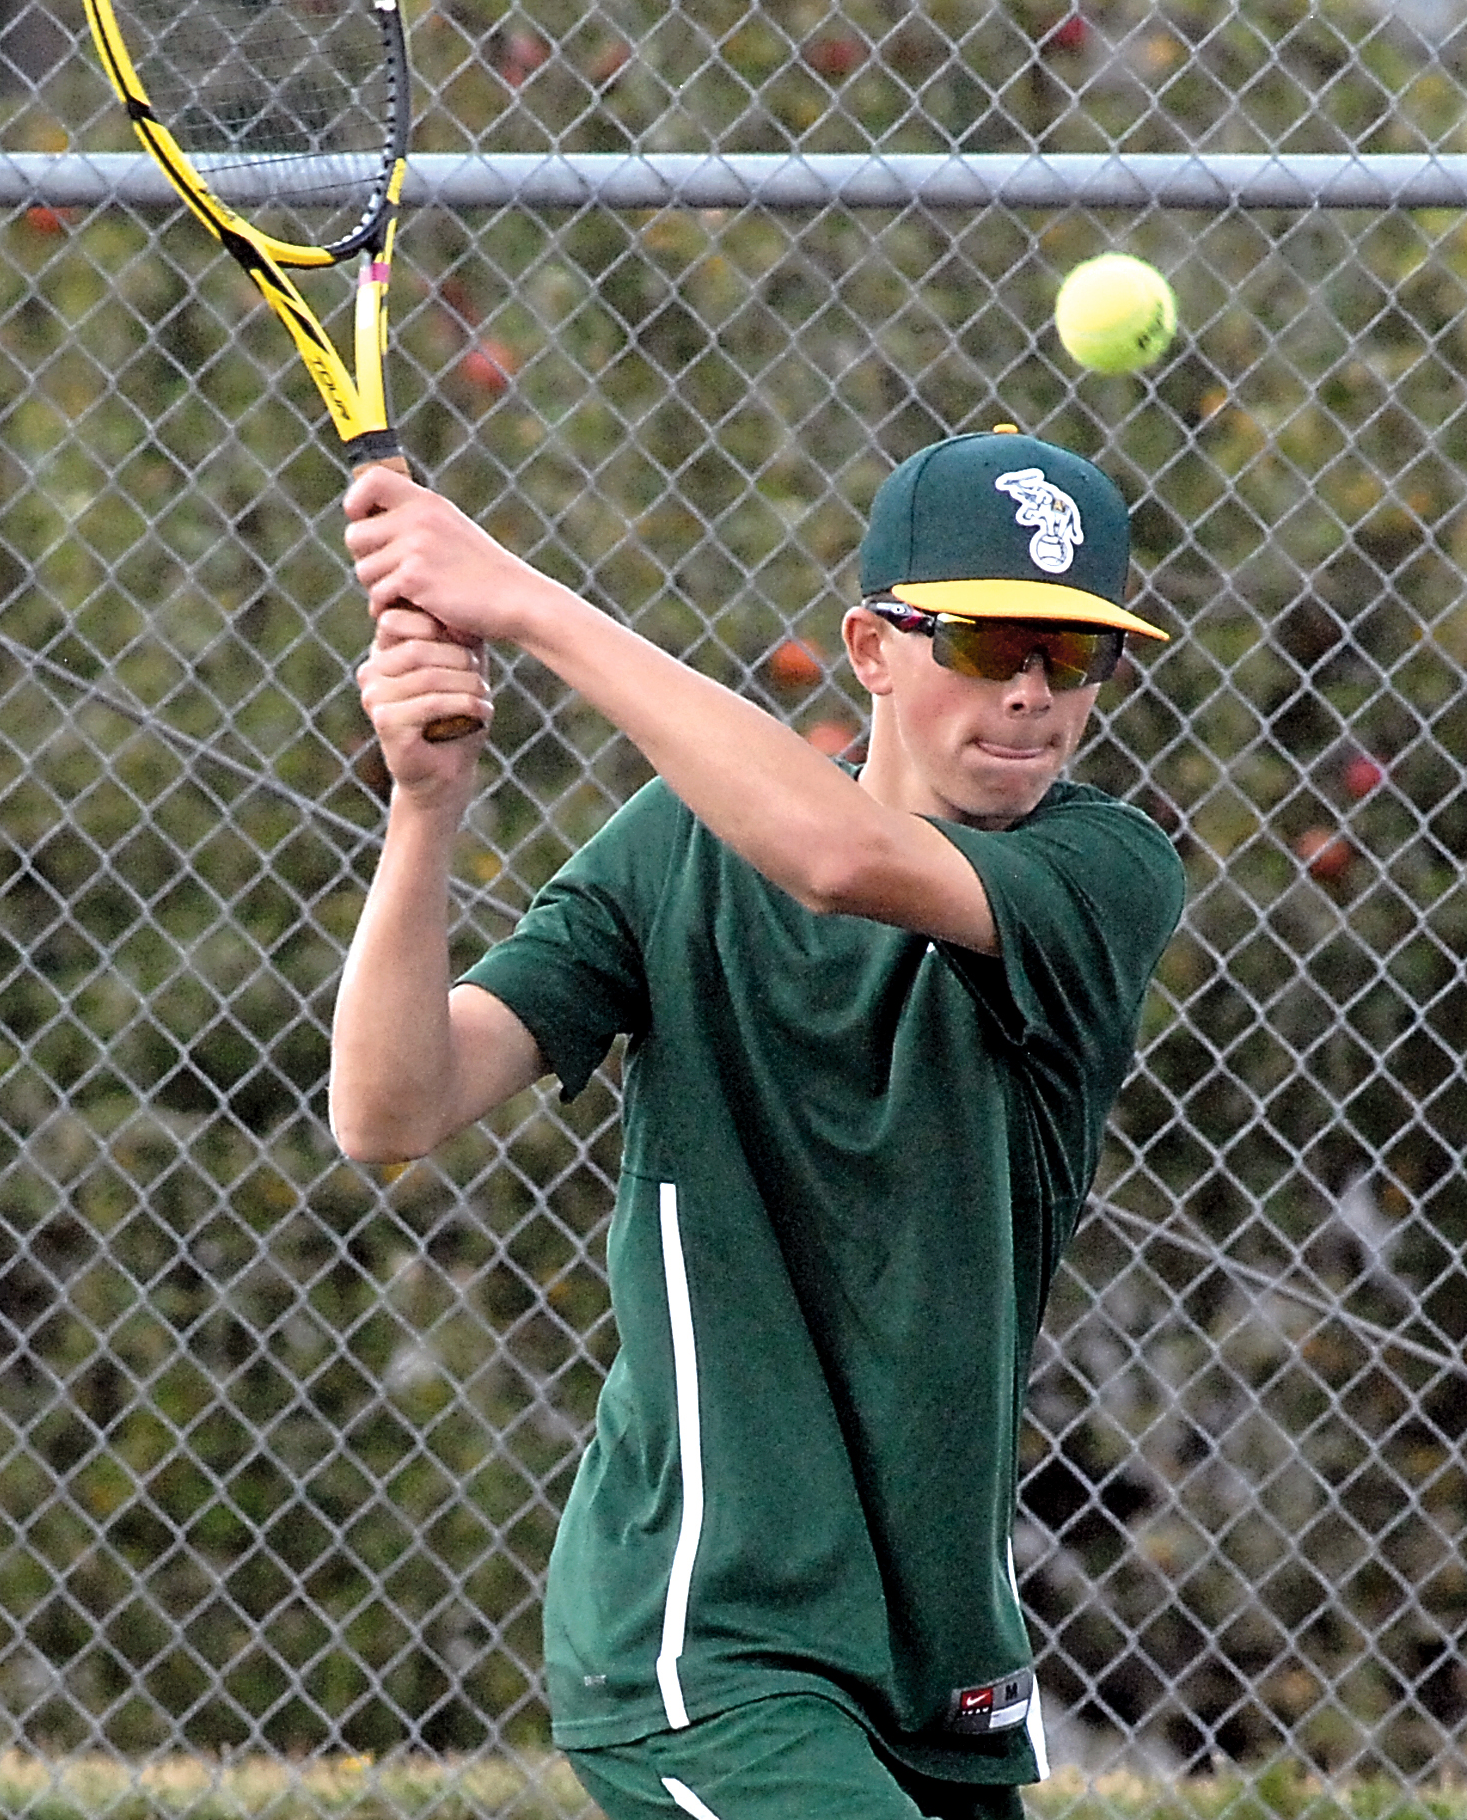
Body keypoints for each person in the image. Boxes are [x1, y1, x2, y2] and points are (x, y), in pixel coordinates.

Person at [329, 422, 1185, 1820]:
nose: (1032, 694)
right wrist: (424, 813)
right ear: (871, 648)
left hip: (932, 1642)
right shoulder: (677, 852)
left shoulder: (1105, 872)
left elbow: (840, 858)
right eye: (987, 646)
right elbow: (389, 1107)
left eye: (1074, 655)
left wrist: (523, 600)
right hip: (710, 1619)